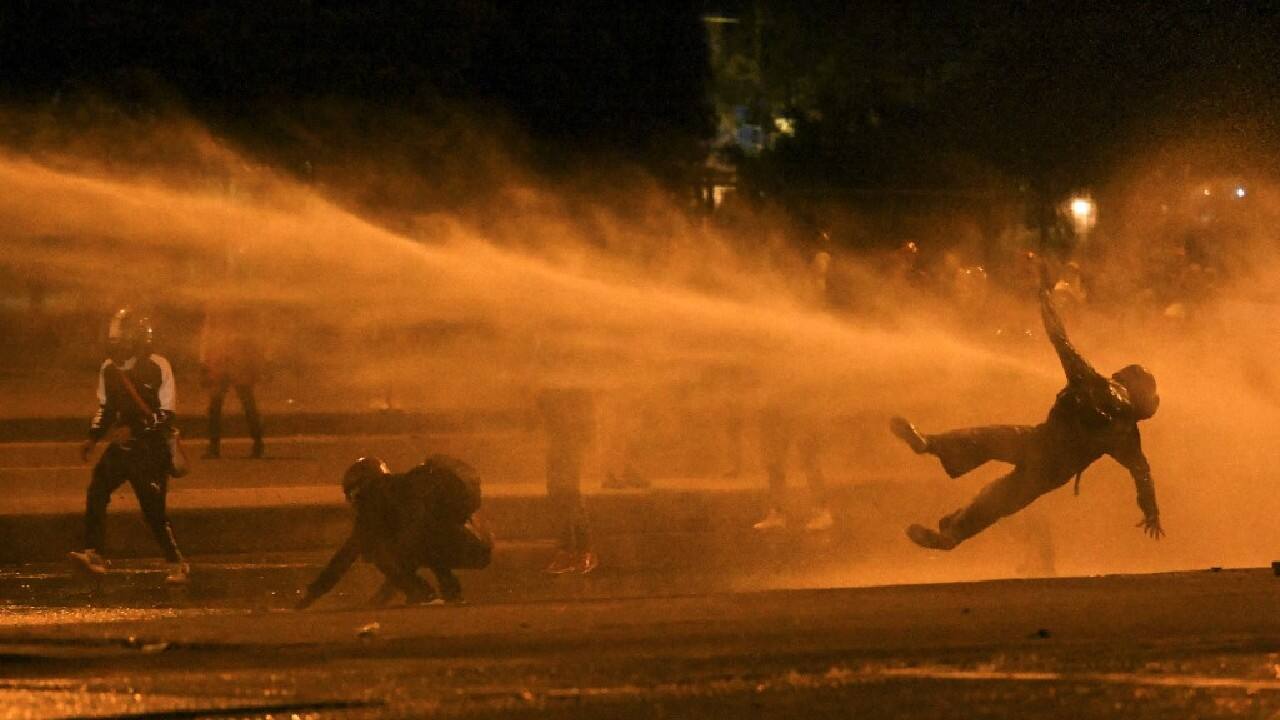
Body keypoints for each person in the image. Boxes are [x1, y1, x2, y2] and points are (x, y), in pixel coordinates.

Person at [891, 265, 1164, 550]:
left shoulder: (1092, 381)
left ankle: (928, 444)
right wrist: (1151, 513)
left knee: (983, 440)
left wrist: (1044, 299)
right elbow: (1142, 475)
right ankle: (953, 533)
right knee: (999, 498)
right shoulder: (1127, 434)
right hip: (1052, 470)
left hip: (1036, 442)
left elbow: (1060, 339)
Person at [70, 308, 190, 584]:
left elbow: (167, 413)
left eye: (121, 335)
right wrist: (93, 436)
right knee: (97, 490)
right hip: (123, 449)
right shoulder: (109, 368)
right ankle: (95, 553)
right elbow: (106, 407)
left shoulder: (159, 365)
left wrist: (134, 429)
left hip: (150, 450)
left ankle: (176, 562)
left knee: (153, 511)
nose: (116, 341)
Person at [295, 455, 492, 609]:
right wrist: (379, 600)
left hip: (451, 543)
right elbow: (417, 547)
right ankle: (451, 594)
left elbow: (348, 554)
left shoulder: (375, 496)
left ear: (360, 487)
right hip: (476, 546)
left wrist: (312, 595)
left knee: (374, 547)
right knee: (418, 540)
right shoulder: (405, 490)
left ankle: (426, 596)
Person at [537, 387, 598, 574]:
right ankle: (572, 551)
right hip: (560, 441)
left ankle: (579, 551)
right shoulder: (558, 390)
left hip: (568, 441)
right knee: (559, 495)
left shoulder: (569, 391)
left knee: (568, 495)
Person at [752, 400, 833, 531]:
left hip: (800, 406)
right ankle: (778, 513)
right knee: (775, 460)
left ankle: (822, 511)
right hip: (781, 406)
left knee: (808, 459)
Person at [198, 301, 265, 459]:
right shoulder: (244, 305)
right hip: (234, 358)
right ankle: (257, 443)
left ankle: (214, 447)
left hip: (222, 358)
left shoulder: (217, 305)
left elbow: (207, 333)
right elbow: (255, 332)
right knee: (246, 402)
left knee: (218, 405)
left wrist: (203, 360)